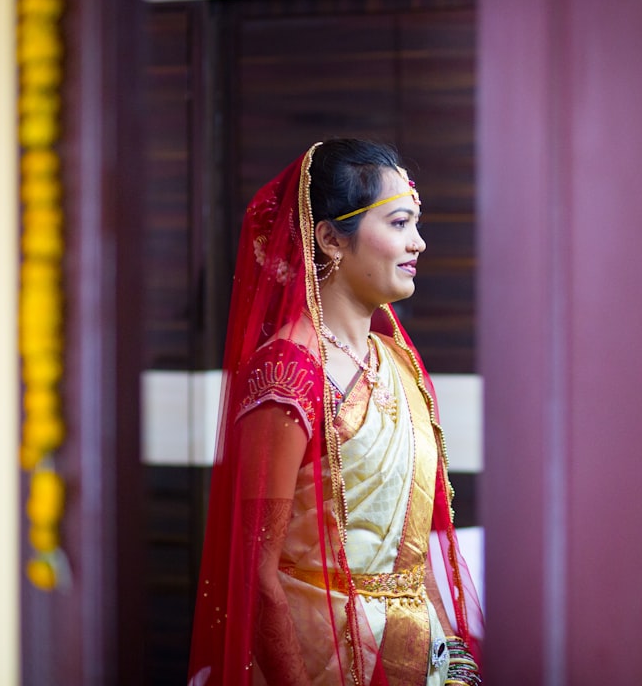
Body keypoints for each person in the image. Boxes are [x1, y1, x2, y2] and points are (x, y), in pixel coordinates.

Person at [187, 140, 484, 686]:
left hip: (416, 657)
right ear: (329, 238)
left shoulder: (396, 361)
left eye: (415, 223)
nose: (417, 242)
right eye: (399, 223)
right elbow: (255, 574)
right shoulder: (287, 374)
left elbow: (418, 549)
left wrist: (454, 656)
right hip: (318, 657)